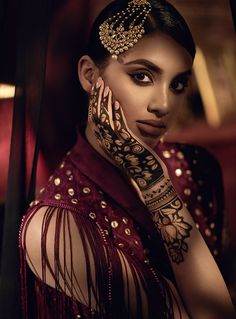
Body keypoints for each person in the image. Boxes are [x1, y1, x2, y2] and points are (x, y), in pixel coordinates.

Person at [20, 0, 235, 318]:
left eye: (177, 84)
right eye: (142, 76)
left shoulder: (195, 167)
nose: (163, 104)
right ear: (90, 75)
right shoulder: (55, 226)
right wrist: (154, 182)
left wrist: (154, 180)